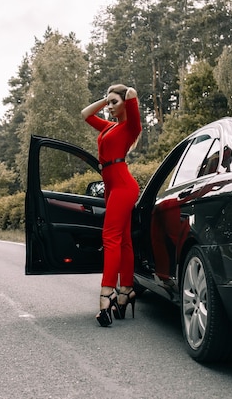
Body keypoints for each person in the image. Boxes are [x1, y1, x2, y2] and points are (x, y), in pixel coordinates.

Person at [81, 84, 142, 327]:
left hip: (123, 186)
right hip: (110, 187)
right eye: (109, 103)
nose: (110, 107)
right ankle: (126, 290)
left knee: (110, 237)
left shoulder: (130, 127)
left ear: (125, 103)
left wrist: (128, 94)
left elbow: (133, 98)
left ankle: (107, 294)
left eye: (114, 103)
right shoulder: (109, 127)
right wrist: (106, 99)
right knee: (124, 240)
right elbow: (86, 114)